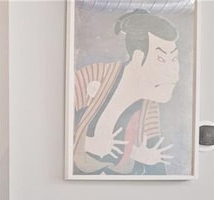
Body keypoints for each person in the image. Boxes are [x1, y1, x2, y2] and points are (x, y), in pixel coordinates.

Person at [73, 10, 180, 175]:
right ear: (138, 58)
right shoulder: (93, 77)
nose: (173, 73)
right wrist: (86, 144)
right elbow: (51, 128)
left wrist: (143, 160)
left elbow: (156, 172)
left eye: (174, 59)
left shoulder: (149, 107)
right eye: (161, 59)